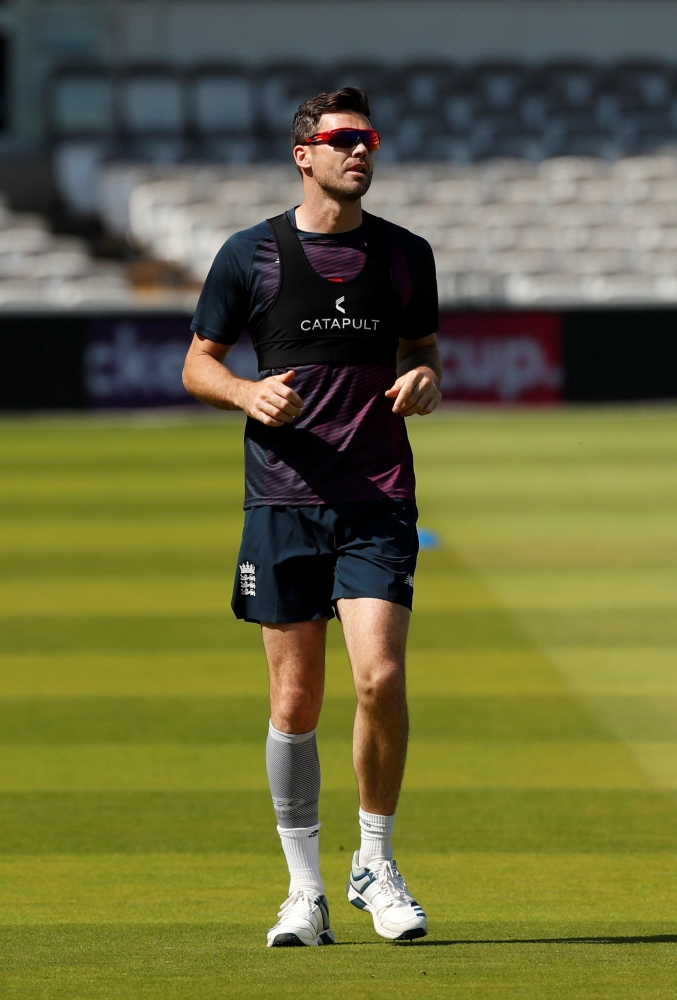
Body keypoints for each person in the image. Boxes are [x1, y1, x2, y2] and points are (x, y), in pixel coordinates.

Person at [183, 86, 442, 947]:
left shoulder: (405, 256)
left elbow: (421, 350)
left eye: (367, 138)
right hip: (283, 501)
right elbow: (198, 365)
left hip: (376, 496)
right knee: (294, 702)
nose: (359, 151)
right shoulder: (248, 255)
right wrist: (245, 392)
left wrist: (424, 378)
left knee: (381, 679)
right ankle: (304, 892)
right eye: (341, 140)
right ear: (304, 155)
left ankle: (375, 863)